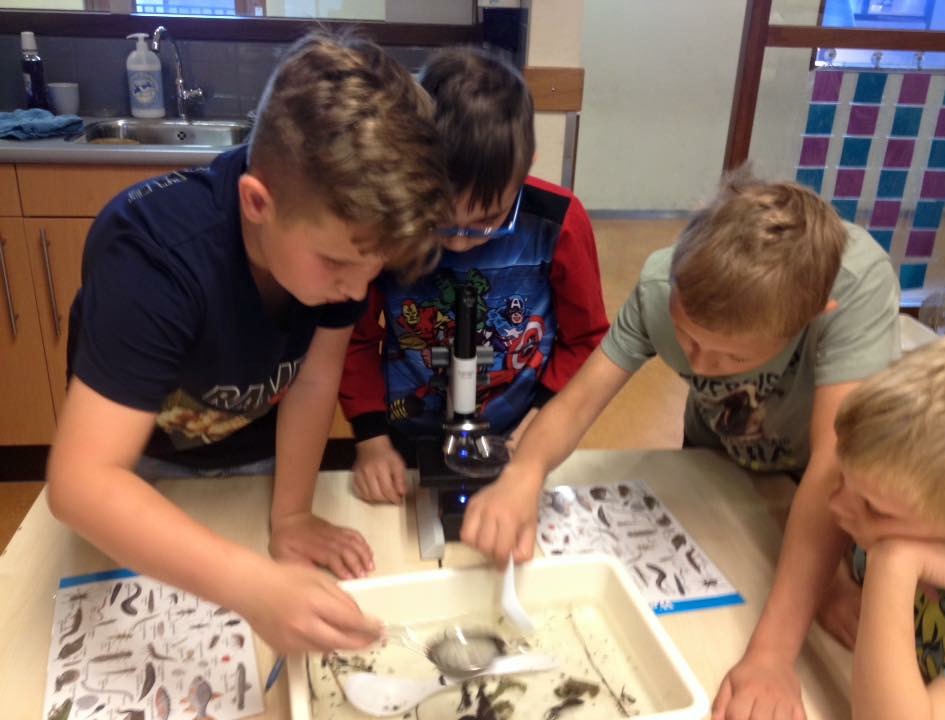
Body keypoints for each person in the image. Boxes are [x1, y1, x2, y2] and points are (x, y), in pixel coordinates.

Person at [45, 31, 451, 655]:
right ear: (258, 203)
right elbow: (82, 483)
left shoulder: (340, 238)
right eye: (338, 264)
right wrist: (250, 584)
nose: (357, 288)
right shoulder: (151, 255)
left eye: (374, 269)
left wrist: (291, 517)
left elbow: (315, 378)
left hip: (259, 464)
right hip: (144, 476)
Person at [458, 170, 901, 718]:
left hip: (818, 484)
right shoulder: (660, 284)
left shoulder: (856, 289)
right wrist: (524, 474)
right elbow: (576, 403)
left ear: (812, 320)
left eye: (732, 357)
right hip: (721, 456)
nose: (700, 364)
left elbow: (833, 470)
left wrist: (771, 655)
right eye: (686, 338)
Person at [339, 46, 609, 504]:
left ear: (525, 167)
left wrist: (542, 422)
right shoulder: (392, 220)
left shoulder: (559, 223)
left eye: (487, 220)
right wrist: (371, 438)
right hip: (405, 435)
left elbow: (585, 339)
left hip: (521, 433)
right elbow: (354, 337)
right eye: (441, 221)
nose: (461, 242)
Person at [829, 333, 945, 719]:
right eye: (841, 479)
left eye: (874, 508)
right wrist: (832, 587)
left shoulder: (892, 544)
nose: (836, 505)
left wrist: (895, 561)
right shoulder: (886, 511)